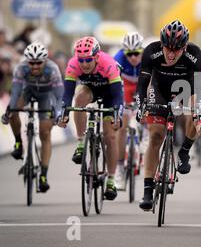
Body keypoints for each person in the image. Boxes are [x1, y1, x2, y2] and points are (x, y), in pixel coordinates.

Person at [136, 20, 201, 211]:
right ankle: (148, 190)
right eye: (167, 48)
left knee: (195, 114)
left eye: (177, 49)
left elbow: (200, 88)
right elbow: (143, 82)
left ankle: (184, 151)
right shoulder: (151, 51)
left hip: (186, 89)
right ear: (161, 45)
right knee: (156, 135)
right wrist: (142, 105)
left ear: (185, 47)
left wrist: (198, 109)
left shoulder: (195, 54)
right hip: (159, 89)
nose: (171, 53)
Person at [57, 36, 123, 201]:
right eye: (81, 60)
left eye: (88, 60)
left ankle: (111, 180)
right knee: (79, 99)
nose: (84, 64)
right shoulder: (73, 64)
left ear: (96, 56)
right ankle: (81, 142)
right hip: (89, 89)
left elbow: (117, 96)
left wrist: (117, 114)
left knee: (111, 136)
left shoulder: (108, 63)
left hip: (109, 94)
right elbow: (67, 95)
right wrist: (63, 114)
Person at [1, 42, 63, 192]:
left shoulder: (53, 69)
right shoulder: (21, 68)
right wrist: (10, 108)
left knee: (45, 132)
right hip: (28, 91)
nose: (35, 66)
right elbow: (15, 92)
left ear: (45, 61)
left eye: (38, 63)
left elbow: (59, 95)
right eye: (31, 63)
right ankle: (18, 142)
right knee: (14, 110)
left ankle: (43, 175)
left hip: (46, 96)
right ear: (26, 61)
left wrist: (57, 112)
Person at [113, 31, 144, 189]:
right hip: (124, 87)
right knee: (122, 127)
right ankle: (119, 169)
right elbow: (115, 84)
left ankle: (143, 142)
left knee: (149, 116)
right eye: (129, 54)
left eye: (136, 53)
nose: (133, 57)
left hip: (141, 87)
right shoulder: (118, 58)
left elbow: (152, 84)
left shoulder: (147, 59)